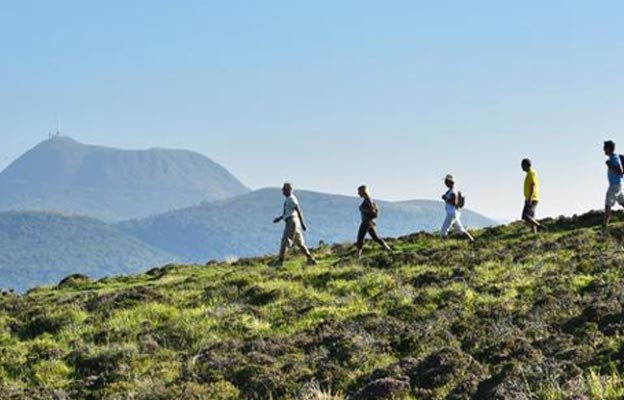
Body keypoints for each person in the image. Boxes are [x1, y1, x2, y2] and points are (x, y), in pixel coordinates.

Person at [270, 183, 317, 266]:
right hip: (294, 223)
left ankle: (280, 262)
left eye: (284, 190)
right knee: (300, 243)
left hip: (291, 223)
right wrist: (280, 218)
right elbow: (289, 213)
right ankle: (310, 259)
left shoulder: (291, 199)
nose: (282, 191)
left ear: (288, 190)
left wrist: (303, 224)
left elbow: (299, 211)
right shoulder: (289, 199)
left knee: (285, 242)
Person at [356, 185, 392, 258]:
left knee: (360, 238)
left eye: (359, 191)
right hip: (369, 222)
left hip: (366, 222)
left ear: (363, 192)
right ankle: (388, 249)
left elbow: (372, 211)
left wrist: (362, 209)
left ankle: (357, 257)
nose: (358, 193)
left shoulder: (368, 200)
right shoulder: (367, 199)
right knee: (375, 238)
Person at [440, 174, 474, 242]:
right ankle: (472, 241)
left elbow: (454, 202)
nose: (445, 183)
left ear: (450, 182)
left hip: (451, 213)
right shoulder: (452, 190)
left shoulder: (452, 191)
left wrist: (445, 198)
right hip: (454, 213)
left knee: (443, 231)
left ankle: (445, 245)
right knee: (461, 230)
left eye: (446, 182)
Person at [603, 140, 624, 227]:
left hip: (614, 186)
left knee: (608, 204)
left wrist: (609, 165)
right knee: (622, 202)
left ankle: (605, 225)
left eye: (605, 148)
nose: (603, 150)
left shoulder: (614, 158)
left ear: (609, 148)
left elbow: (620, 171)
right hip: (618, 185)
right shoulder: (614, 158)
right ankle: (605, 224)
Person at [521, 158, 543, 234]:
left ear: (525, 165)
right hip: (531, 198)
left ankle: (540, 227)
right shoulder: (529, 173)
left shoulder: (531, 173)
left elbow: (533, 185)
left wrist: (530, 198)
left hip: (531, 198)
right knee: (531, 218)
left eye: (522, 165)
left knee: (526, 217)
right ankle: (535, 234)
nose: (521, 167)